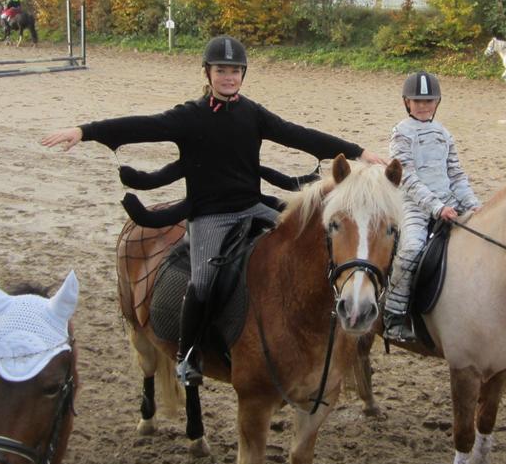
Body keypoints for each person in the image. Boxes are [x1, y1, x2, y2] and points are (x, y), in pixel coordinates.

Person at [40, 35, 385, 387]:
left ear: (243, 75)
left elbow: (299, 135)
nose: (228, 77)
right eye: (221, 70)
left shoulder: (253, 113)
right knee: (202, 283)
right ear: (208, 73)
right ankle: (188, 355)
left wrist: (357, 151)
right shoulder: (189, 117)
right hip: (210, 217)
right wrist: (84, 131)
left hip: (254, 207)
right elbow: (140, 125)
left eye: (235, 71)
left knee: (303, 250)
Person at [382, 71, 481, 341]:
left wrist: (474, 204)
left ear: (437, 102)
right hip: (414, 206)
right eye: (417, 101)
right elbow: (408, 179)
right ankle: (393, 314)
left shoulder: (444, 133)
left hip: (448, 201)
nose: (423, 106)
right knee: (412, 249)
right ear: (407, 103)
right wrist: (437, 208)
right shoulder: (401, 133)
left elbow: (456, 176)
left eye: (429, 101)